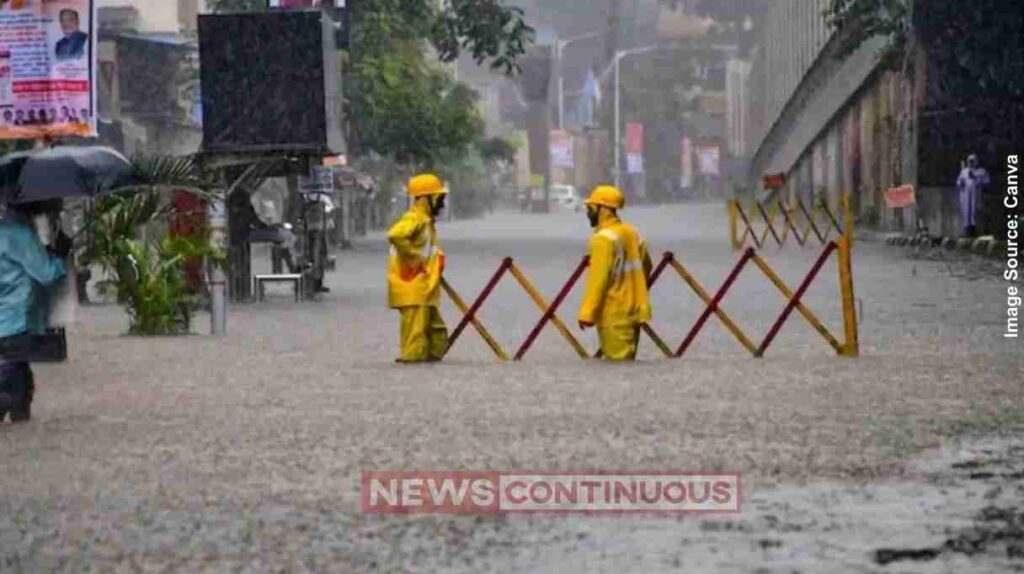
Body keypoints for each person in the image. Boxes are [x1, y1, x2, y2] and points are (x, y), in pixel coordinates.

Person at [0, 200, 70, 423]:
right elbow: (46, 274)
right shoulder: (18, 235)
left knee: (20, 379)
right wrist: (59, 255)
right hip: (15, 320)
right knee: (16, 381)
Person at [577, 185, 653, 361]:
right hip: (634, 311)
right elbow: (646, 265)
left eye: (590, 208)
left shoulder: (602, 240)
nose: (587, 213)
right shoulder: (631, 233)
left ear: (602, 209)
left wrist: (587, 314)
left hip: (613, 314)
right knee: (628, 365)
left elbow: (598, 281)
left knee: (618, 369)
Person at [387, 174, 449, 363]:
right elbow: (395, 235)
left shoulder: (426, 221)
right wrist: (414, 257)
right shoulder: (415, 219)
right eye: (439, 199)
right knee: (415, 333)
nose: (442, 204)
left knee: (436, 329)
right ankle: (413, 360)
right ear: (426, 199)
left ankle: (431, 356)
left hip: (424, 286)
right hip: (412, 285)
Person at [957, 153, 991, 237]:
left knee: (976, 215)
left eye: (972, 161)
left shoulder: (981, 171)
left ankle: (979, 233)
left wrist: (976, 179)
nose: (971, 163)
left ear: (976, 162)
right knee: (967, 215)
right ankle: (968, 233)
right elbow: (959, 183)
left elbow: (987, 182)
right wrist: (961, 182)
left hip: (977, 196)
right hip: (966, 197)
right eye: (969, 161)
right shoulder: (964, 172)